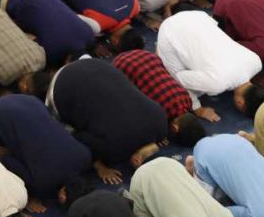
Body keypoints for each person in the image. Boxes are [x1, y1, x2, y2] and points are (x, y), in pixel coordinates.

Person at [39, 57, 171, 174]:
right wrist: (100, 168)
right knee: (61, 131)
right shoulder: (114, 152)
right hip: (60, 85)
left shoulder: (161, 123)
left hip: (95, 64)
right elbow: (78, 139)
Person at [156, 10, 263, 109]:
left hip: (198, 16)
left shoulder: (256, 63)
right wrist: (197, 108)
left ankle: (162, 50)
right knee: (174, 76)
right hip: (169, 29)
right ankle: (160, 49)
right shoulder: (217, 84)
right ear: (240, 102)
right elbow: (180, 78)